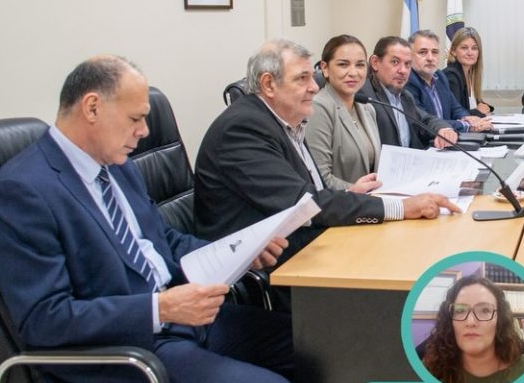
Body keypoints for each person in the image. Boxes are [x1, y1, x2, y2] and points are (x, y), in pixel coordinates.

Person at [0, 56, 303, 383]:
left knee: (311, 345)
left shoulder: (115, 165)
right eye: (135, 118)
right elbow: (45, 319)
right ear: (92, 108)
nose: (144, 131)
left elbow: (162, 241)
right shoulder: (22, 191)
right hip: (125, 354)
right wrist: (159, 308)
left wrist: (237, 252)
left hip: (183, 321)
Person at [194, 39, 459, 263]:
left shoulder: (287, 121)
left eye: (311, 77)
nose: (314, 86)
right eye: (302, 78)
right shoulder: (243, 128)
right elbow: (305, 204)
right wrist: (400, 207)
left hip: (306, 244)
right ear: (268, 85)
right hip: (265, 269)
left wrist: (350, 196)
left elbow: (313, 193)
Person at [420, 276, 524, 383]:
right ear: (450, 320)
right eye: (460, 311)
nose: (470, 322)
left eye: (484, 310)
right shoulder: (429, 370)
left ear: (499, 320)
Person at [306, 35, 382, 191]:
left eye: (360, 65)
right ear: (325, 68)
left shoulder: (367, 108)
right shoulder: (318, 108)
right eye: (343, 64)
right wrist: (356, 190)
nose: (353, 72)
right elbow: (320, 179)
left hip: (372, 199)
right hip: (343, 202)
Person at [362, 36, 458, 150]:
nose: (403, 70)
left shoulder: (405, 96)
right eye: (395, 62)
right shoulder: (365, 96)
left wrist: (444, 129)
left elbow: (425, 120)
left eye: (407, 64)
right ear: (375, 63)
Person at [406, 30, 492, 133]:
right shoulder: (407, 81)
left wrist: (469, 118)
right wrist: (468, 125)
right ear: (409, 55)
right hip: (427, 141)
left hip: (448, 139)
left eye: (434, 52)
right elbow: (426, 122)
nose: (430, 58)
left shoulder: (440, 77)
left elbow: (456, 108)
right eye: (423, 52)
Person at [442, 26, 494, 117]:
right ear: (453, 51)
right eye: (464, 48)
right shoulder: (451, 76)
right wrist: (478, 112)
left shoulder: (469, 74)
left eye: (474, 48)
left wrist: (487, 108)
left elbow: (478, 105)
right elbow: (454, 115)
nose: (470, 53)